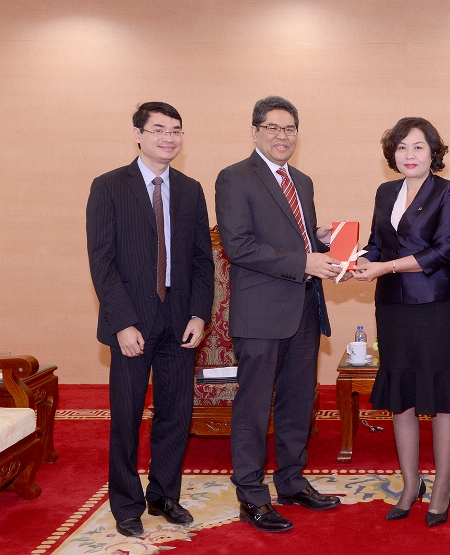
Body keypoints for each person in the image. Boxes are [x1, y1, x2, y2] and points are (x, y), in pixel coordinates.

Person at [215, 95, 343, 534]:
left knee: (297, 402)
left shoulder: (301, 181)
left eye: (289, 128)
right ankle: (251, 495)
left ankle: (291, 481)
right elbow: (239, 246)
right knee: (254, 407)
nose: (282, 136)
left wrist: (320, 240)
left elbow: (295, 240)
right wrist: (305, 260)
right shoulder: (234, 177)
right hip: (261, 314)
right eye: (272, 127)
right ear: (255, 131)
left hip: (304, 308)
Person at [86, 102, 214, 538]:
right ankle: (126, 504)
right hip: (131, 320)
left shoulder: (191, 189)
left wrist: (199, 314)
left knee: (176, 415)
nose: (168, 138)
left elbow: (202, 260)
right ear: (138, 134)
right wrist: (122, 322)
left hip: (180, 319)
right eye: (159, 129)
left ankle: (164, 495)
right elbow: (101, 262)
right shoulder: (108, 186)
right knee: (126, 418)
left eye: (176, 130)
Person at [353, 117, 450, 527]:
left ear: (433, 152)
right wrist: (353, 261)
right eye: (401, 147)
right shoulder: (386, 192)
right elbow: (377, 244)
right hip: (392, 307)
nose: (409, 154)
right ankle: (409, 483)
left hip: (433, 306)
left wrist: (384, 267)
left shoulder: (448, 191)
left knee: (439, 398)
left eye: (418, 146)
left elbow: (443, 251)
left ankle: (442, 486)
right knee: (400, 394)